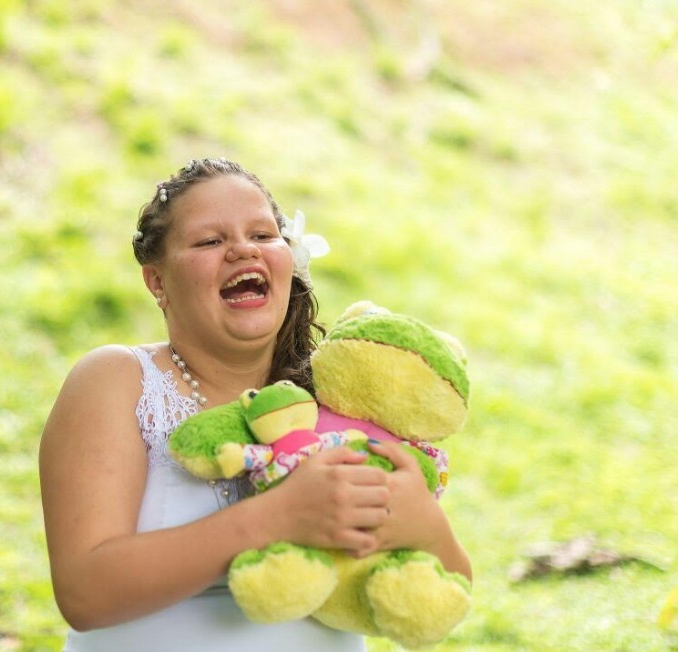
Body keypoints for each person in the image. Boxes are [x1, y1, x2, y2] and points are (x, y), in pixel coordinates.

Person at [39, 157, 472, 652]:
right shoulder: (118, 381)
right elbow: (84, 594)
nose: (243, 249)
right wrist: (274, 517)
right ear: (157, 282)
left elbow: (444, 595)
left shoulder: (340, 399)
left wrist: (426, 527)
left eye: (263, 235)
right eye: (209, 241)